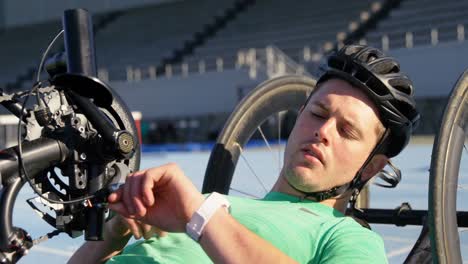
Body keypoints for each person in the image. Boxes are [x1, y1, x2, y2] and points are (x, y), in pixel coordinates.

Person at [68, 45, 420, 264]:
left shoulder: (346, 236)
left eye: (347, 131)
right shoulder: (210, 203)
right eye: (317, 114)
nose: (323, 132)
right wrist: (114, 233)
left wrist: (201, 217)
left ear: (371, 167)